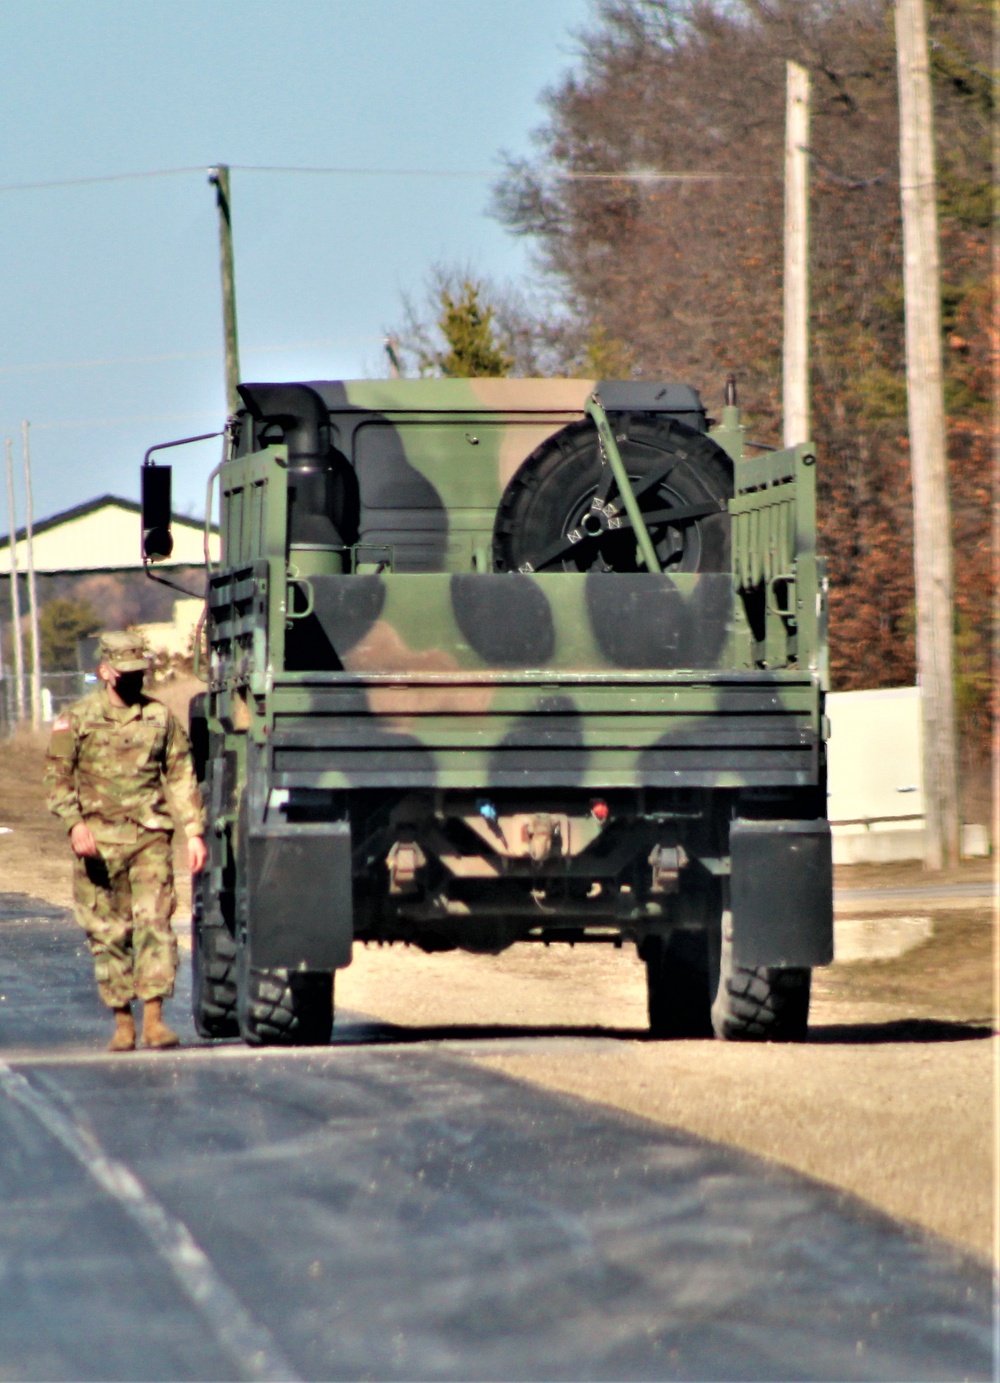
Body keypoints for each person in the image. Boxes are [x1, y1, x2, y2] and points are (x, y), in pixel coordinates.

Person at [44, 630, 208, 1051]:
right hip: (97, 844)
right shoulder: (76, 720)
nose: (137, 680)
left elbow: (180, 774)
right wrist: (74, 824)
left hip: (149, 838)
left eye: (141, 672)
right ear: (105, 671)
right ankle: (123, 1022)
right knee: (108, 931)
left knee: (155, 925)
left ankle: (154, 1020)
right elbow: (57, 780)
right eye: (128, 672)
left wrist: (193, 831)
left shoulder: (159, 717)